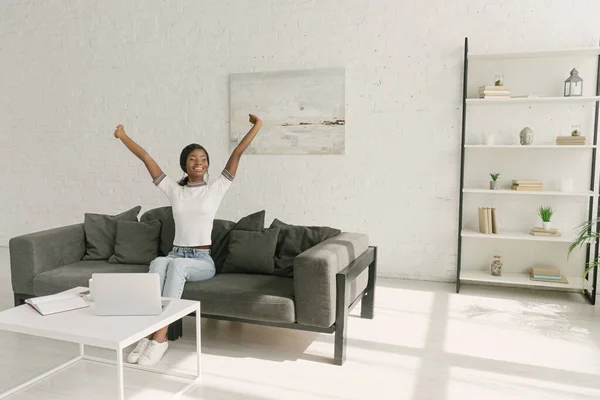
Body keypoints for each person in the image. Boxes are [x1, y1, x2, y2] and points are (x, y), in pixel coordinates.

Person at [113, 114, 263, 366]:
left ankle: (160, 338)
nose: (199, 162)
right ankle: (147, 333)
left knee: (177, 266)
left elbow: (237, 153)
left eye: (203, 159)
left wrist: (257, 126)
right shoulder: (175, 190)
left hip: (201, 260)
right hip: (175, 254)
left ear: (207, 165)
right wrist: (123, 136)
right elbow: (147, 158)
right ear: (185, 165)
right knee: (160, 263)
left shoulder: (216, 189)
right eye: (193, 159)